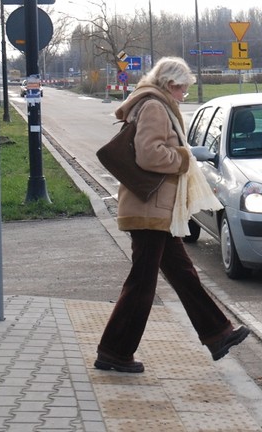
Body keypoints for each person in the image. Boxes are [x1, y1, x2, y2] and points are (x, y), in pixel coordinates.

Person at [95, 57, 250, 373]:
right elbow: (149, 154)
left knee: (183, 274)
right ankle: (114, 351)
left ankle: (218, 334)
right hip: (149, 209)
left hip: (157, 208)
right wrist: (185, 156)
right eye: (182, 89)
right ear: (170, 84)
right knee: (142, 283)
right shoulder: (154, 106)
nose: (184, 95)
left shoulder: (156, 103)